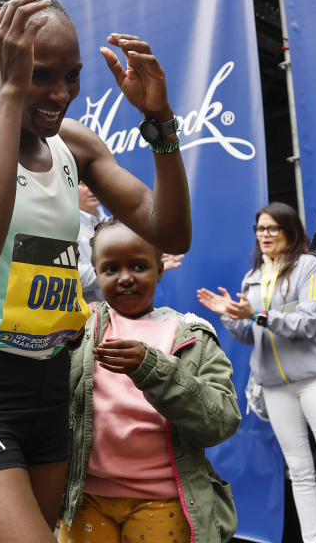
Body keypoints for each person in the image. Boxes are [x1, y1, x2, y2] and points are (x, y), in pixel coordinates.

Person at [0, 0, 191, 542]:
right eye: (41, 74)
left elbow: (170, 229)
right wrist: (11, 91)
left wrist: (160, 122)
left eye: (72, 76)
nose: (60, 94)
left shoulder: (74, 144)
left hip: (47, 384)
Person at [197, 202, 316, 543]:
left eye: (271, 228)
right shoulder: (252, 277)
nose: (264, 235)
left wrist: (259, 315)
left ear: (290, 231)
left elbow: (308, 323)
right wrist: (230, 316)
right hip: (275, 386)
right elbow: (250, 335)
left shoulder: (308, 266)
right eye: (260, 229)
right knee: (300, 472)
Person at [59, 219, 239, 543]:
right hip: (86, 501)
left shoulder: (192, 337)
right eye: (110, 268)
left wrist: (151, 367)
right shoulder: (78, 327)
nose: (125, 277)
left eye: (139, 266)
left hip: (163, 502)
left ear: (160, 269)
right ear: (96, 274)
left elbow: (221, 421)